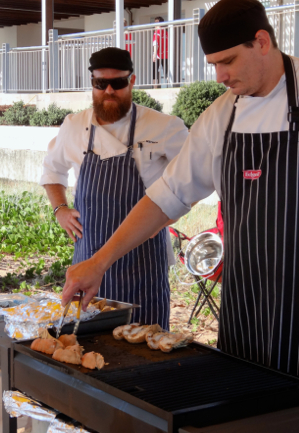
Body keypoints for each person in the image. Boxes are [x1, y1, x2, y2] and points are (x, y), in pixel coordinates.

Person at [61, 0, 299, 405]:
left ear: (262, 42)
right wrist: (99, 260)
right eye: (213, 64)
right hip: (244, 306)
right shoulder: (220, 116)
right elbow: (166, 197)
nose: (220, 75)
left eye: (228, 61)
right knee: (243, 423)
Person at [40, 47, 188, 329]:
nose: (109, 91)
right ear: (92, 83)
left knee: (144, 344)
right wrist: (60, 208)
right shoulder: (73, 126)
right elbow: (52, 170)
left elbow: (190, 181)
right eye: (100, 84)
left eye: (118, 83)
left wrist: (164, 220)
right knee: (88, 342)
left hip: (142, 263)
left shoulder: (164, 127)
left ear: (132, 81)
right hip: (87, 255)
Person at [152, 17, 168, 87]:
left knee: (154, 72)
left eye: (156, 23)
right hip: (166, 55)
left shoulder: (157, 32)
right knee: (166, 72)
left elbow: (156, 43)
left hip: (158, 55)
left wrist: (154, 54)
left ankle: (155, 87)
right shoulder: (166, 32)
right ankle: (168, 86)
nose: (155, 25)